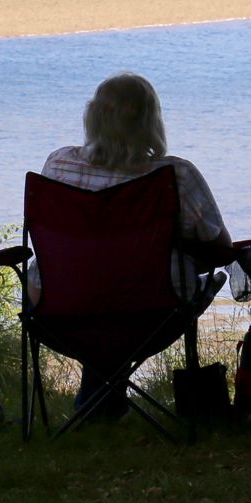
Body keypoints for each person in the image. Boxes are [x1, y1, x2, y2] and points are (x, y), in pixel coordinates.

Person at [39, 73, 231, 416]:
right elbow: (220, 249)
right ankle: (104, 404)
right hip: (152, 313)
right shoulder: (175, 175)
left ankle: (99, 404)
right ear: (151, 121)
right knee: (130, 287)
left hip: (61, 310)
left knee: (99, 283)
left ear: (92, 117)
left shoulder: (59, 164)